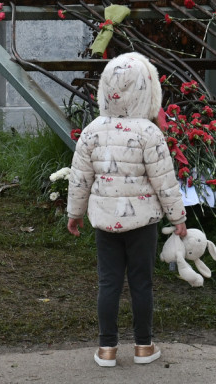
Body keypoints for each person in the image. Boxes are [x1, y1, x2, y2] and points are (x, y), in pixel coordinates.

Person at [65, 52, 187, 367]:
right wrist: (178, 219)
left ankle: (107, 349)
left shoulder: (91, 131)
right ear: (147, 91)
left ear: (106, 88)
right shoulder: (149, 133)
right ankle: (144, 347)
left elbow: (80, 177)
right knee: (141, 283)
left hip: (105, 222)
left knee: (109, 283)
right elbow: (165, 182)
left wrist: (75, 214)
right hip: (143, 222)